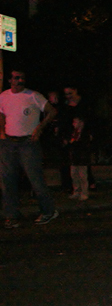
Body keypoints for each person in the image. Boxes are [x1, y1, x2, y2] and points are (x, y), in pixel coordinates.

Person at [0, 69, 59, 228]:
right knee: (7, 180)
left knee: (35, 179)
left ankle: (48, 211)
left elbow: (51, 111)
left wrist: (39, 128)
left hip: (28, 143)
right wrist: (2, 132)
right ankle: (11, 215)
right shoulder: (4, 96)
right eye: (16, 78)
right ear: (10, 80)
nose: (19, 81)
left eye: (22, 78)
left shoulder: (33, 96)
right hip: (9, 142)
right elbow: (2, 114)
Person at [67, 115, 92, 200]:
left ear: (81, 123)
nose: (74, 124)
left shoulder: (85, 133)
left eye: (76, 122)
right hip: (74, 157)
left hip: (82, 158)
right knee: (74, 175)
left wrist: (74, 143)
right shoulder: (73, 132)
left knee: (82, 176)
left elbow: (85, 145)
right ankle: (76, 191)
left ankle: (84, 193)